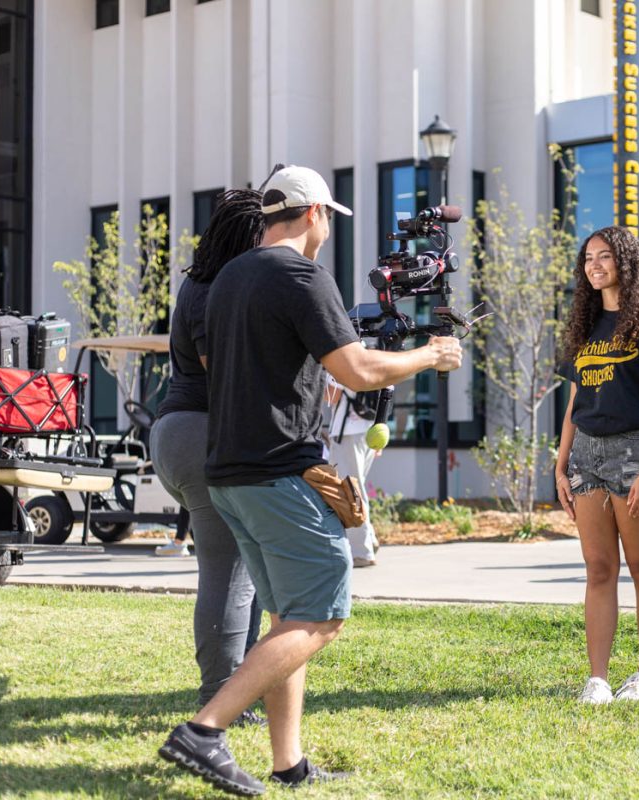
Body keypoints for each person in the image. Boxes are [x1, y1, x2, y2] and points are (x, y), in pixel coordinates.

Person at [157, 165, 462, 796]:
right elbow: (357, 370)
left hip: (229, 474)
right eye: (328, 221)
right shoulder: (302, 275)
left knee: (285, 616)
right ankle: (205, 731)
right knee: (321, 617)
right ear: (316, 214)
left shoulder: (228, 278)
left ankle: (287, 762)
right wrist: (430, 355)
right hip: (277, 471)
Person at [555, 226, 639, 705]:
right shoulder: (586, 328)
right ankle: (598, 679)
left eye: (604, 256)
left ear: (625, 263)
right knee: (598, 568)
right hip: (586, 454)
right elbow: (575, 400)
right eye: (588, 257)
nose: (594, 265)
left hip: (637, 452)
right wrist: (560, 460)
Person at [149, 189, 265, 719]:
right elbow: (223, 371)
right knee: (228, 567)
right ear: (248, 237)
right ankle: (221, 700)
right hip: (201, 433)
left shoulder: (201, 284)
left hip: (183, 433)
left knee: (255, 565)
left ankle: (240, 689)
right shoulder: (214, 288)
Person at [325, 375, 379, 567]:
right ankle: (369, 537)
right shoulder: (370, 350)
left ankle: (361, 551)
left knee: (351, 491)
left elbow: (331, 396)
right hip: (368, 431)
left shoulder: (341, 358)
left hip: (347, 432)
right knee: (358, 488)